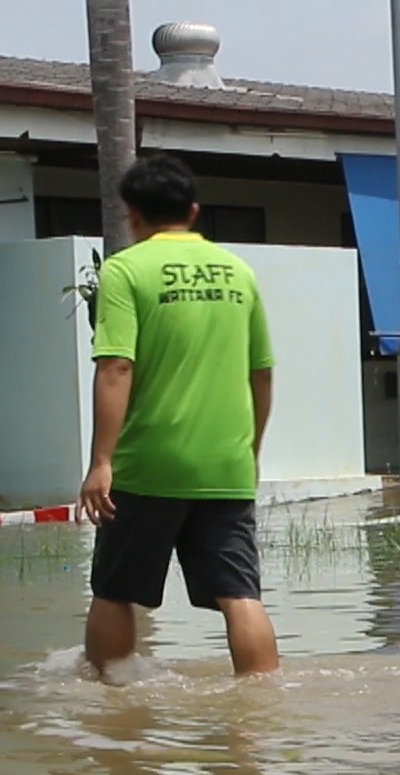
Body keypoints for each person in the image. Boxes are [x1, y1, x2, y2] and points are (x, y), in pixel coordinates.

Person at [80, 154, 279, 678]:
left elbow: (117, 366)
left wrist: (102, 461)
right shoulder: (239, 273)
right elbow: (261, 373)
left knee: (115, 590)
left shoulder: (125, 270)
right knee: (240, 595)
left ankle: (108, 705)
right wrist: (250, 452)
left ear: (132, 215)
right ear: (193, 211)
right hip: (226, 465)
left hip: (149, 463)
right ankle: (262, 705)